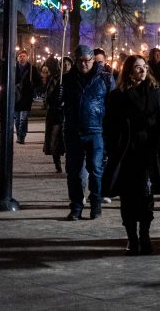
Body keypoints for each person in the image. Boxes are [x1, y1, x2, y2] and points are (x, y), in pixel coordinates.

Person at [103, 55, 160, 255]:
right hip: (128, 151)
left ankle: (145, 235)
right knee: (129, 196)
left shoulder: (155, 92)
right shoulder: (118, 95)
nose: (142, 71)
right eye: (137, 67)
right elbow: (110, 124)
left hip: (149, 150)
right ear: (129, 70)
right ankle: (132, 237)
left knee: (147, 195)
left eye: (144, 67)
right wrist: (114, 146)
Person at [59, 45, 115, 221]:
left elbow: (114, 106)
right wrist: (56, 95)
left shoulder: (105, 78)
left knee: (96, 169)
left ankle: (96, 203)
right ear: (75, 61)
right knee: (74, 172)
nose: (84, 64)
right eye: (80, 61)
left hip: (96, 131)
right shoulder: (66, 79)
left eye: (87, 60)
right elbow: (54, 106)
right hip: (73, 131)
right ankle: (76, 206)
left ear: (93, 60)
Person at [43, 57, 72, 173]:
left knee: (68, 141)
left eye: (67, 64)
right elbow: (48, 97)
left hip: (69, 115)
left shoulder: (73, 79)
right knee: (55, 139)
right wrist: (56, 96)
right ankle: (57, 162)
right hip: (56, 115)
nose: (65, 66)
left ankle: (69, 164)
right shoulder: (55, 79)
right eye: (63, 64)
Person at [14, 49, 41, 144]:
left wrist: (32, 86)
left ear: (27, 57)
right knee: (17, 118)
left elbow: (38, 81)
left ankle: (22, 136)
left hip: (26, 96)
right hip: (16, 96)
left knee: (23, 118)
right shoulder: (13, 68)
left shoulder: (31, 69)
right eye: (20, 56)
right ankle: (18, 134)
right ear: (17, 58)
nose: (22, 58)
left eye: (24, 56)